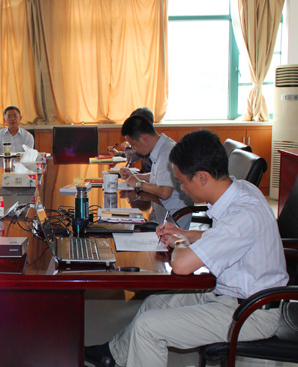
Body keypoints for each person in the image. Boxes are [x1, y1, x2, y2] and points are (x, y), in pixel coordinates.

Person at [85, 130, 288, 367]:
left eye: (182, 181)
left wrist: (179, 242)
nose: (182, 189)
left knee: (147, 328)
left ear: (201, 177)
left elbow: (181, 266)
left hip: (251, 312)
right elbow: (225, 237)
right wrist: (184, 233)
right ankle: (113, 355)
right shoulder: (241, 190)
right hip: (230, 295)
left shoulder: (243, 214)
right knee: (154, 303)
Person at [118, 115, 193, 229]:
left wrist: (138, 183)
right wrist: (136, 176)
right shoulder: (161, 147)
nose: (134, 149)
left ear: (143, 138)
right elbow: (158, 176)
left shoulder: (167, 153)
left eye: (134, 144)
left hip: (173, 219)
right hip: (162, 210)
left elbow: (165, 192)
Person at [108, 107, 153, 173]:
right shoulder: (146, 141)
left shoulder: (150, 143)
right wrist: (119, 153)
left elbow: (131, 157)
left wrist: (127, 147)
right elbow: (136, 154)